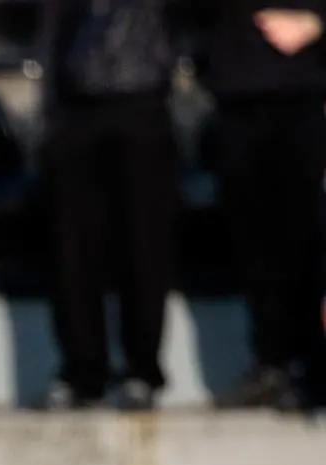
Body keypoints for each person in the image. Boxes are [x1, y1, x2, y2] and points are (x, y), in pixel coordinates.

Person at [38, 0, 176, 410]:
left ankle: (142, 369)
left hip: (141, 94)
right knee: (72, 249)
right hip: (71, 101)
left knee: (144, 245)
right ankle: (82, 371)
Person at [201, 0, 326, 410]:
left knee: (304, 236)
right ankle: (271, 363)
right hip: (237, 90)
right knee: (253, 240)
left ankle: (311, 365)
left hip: (303, 89)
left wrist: (315, 21)